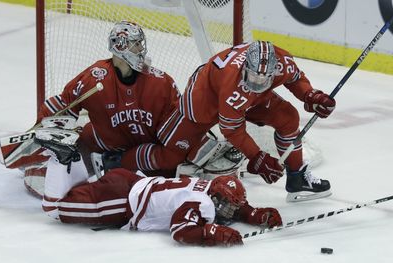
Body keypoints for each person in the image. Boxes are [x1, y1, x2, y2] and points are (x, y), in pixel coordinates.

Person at [118, 41, 336, 202]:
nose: (257, 83)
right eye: (253, 78)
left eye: (263, 79)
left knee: (288, 118)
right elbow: (232, 129)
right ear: (244, 69)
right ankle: (119, 161)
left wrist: (311, 96)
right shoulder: (233, 83)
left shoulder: (280, 64)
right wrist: (257, 158)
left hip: (249, 99)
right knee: (170, 156)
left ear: (273, 71)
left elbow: (296, 79)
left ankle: (298, 177)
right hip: (204, 100)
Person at [36, 131, 282, 247]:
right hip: (121, 202)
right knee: (56, 209)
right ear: (216, 200)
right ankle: (62, 158)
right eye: (229, 205)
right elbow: (180, 231)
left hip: (128, 182)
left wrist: (253, 214)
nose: (231, 210)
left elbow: (229, 202)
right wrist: (212, 233)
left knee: (78, 193)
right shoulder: (202, 203)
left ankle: (73, 157)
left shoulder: (209, 188)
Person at [17, 20, 181, 185]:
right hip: (105, 145)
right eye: (136, 43)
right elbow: (61, 106)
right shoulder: (95, 77)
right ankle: (38, 159)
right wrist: (39, 137)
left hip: (149, 156)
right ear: (121, 46)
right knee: (46, 178)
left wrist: (124, 160)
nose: (141, 49)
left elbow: (177, 138)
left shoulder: (162, 84)